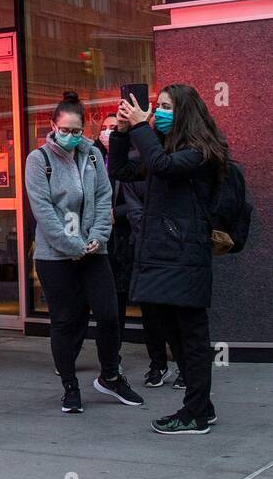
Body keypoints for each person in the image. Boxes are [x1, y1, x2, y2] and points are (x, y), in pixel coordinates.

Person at [111, 85, 226, 435]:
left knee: (191, 337)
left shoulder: (200, 151)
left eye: (164, 107)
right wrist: (121, 132)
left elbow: (161, 166)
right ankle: (201, 406)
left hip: (185, 256)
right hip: (164, 256)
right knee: (174, 335)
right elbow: (121, 170)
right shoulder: (166, 150)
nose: (157, 111)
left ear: (184, 112)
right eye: (156, 106)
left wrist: (141, 126)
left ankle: (195, 414)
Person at [26, 92, 143, 415]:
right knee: (65, 321)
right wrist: (72, 246)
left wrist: (97, 237)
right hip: (55, 256)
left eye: (77, 131)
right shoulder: (39, 160)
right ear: (53, 126)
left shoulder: (91, 155)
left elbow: (104, 196)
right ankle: (70, 387)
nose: (71, 137)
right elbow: (43, 211)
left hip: (94, 250)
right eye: (65, 130)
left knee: (108, 314)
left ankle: (110, 376)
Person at [97, 112, 165, 385]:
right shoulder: (94, 161)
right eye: (106, 128)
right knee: (113, 306)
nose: (110, 133)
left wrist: (118, 213)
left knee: (152, 307)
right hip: (107, 244)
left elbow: (148, 198)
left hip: (136, 240)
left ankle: (159, 364)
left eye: (116, 128)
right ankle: (113, 362)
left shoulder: (139, 160)